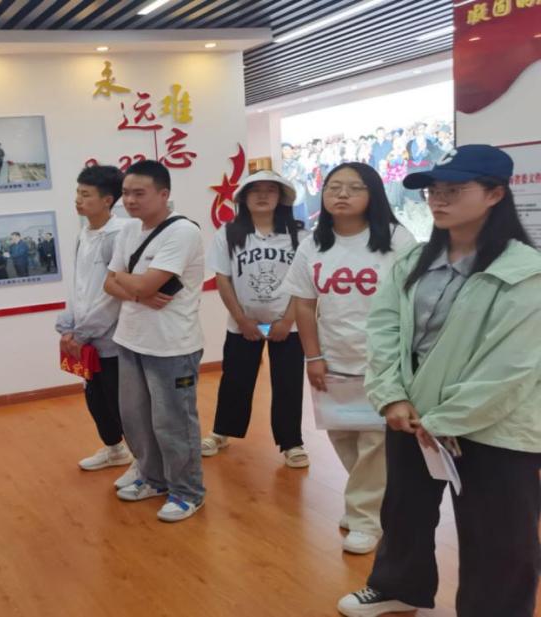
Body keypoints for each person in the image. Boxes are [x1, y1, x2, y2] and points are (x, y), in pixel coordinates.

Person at [338, 145, 541, 617]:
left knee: (498, 535)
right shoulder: (413, 261)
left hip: (493, 426)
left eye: (455, 189)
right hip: (412, 415)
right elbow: (384, 328)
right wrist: (391, 397)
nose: (439, 199)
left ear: (495, 194)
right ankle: (398, 587)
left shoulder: (525, 273)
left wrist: (444, 419)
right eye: (433, 190)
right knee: (404, 510)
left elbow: (511, 367)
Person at [283, 162, 417, 555]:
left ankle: (364, 517)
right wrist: (313, 355)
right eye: (333, 187)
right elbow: (304, 304)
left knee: (376, 442)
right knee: (343, 434)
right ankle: (371, 502)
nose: (342, 194)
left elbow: (413, 301)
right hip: (333, 356)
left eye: (354, 188)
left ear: (373, 194)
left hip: (382, 361)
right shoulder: (312, 244)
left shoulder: (397, 239)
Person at [104, 160, 206, 523]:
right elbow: (109, 282)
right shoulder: (129, 230)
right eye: (126, 193)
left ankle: (188, 492)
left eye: (139, 193)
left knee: (173, 423)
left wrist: (130, 283)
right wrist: (139, 291)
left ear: (164, 194)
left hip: (172, 346)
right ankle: (154, 479)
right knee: (136, 419)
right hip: (131, 338)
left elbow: (139, 282)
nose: (130, 200)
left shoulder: (182, 232)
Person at [201, 170, 309, 467]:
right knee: (235, 379)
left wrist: (287, 320)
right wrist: (242, 320)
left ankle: (291, 442)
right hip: (243, 323)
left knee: (288, 383)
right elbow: (223, 279)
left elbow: (305, 282)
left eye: (270, 190)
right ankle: (222, 432)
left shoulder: (300, 236)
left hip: (287, 323)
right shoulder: (228, 233)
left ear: (281, 197)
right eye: (255, 190)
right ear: (244, 198)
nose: (262, 195)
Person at [55, 165, 139, 487]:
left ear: (107, 200)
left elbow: (114, 293)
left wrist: (84, 331)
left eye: (86, 194)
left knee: (122, 403)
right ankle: (114, 449)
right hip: (85, 336)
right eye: (78, 193)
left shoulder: (118, 235)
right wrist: (68, 325)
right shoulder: (84, 234)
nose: (78, 200)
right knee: (96, 397)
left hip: (112, 337)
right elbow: (78, 284)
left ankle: (142, 460)